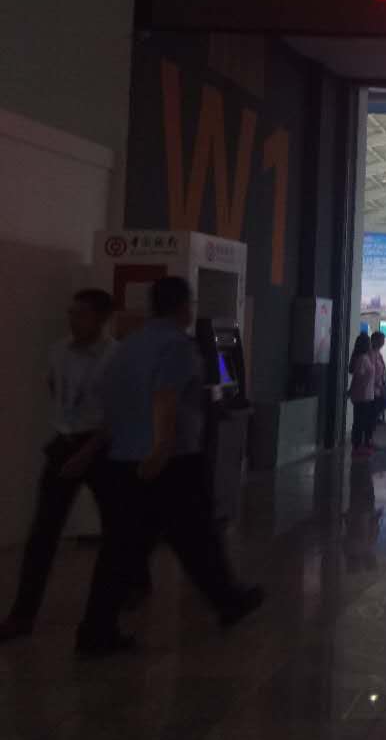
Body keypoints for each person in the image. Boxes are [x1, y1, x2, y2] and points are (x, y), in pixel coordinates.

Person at [77, 277, 262, 657]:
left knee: (125, 548)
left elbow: (106, 395)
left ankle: (96, 628)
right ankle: (228, 600)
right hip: (171, 462)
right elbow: (166, 398)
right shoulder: (177, 346)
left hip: (124, 460)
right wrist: (160, 449)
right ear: (183, 307)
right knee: (196, 536)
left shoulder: (128, 346)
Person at [0, 290, 119, 643]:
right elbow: (55, 388)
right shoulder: (58, 351)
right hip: (65, 443)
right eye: (72, 312)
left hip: (100, 448)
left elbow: (116, 412)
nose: (73, 319)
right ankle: (22, 615)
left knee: (117, 528)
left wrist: (88, 449)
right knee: (43, 532)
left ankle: (129, 589)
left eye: (81, 314)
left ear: (101, 318)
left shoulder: (115, 357)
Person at [348, 332, 377, 458]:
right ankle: (357, 446)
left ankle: (361, 445)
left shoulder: (365, 358)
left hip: (366, 395)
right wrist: (353, 390)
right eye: (369, 342)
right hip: (362, 395)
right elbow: (358, 377)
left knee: (363, 420)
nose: (371, 345)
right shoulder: (362, 359)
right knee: (359, 421)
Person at [369, 331, 386, 435]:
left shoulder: (378, 354)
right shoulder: (371, 354)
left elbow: (382, 369)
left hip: (379, 387)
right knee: (371, 413)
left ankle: (370, 437)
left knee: (377, 409)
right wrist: (379, 384)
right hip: (373, 389)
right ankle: (367, 438)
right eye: (382, 340)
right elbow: (372, 372)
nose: (383, 342)